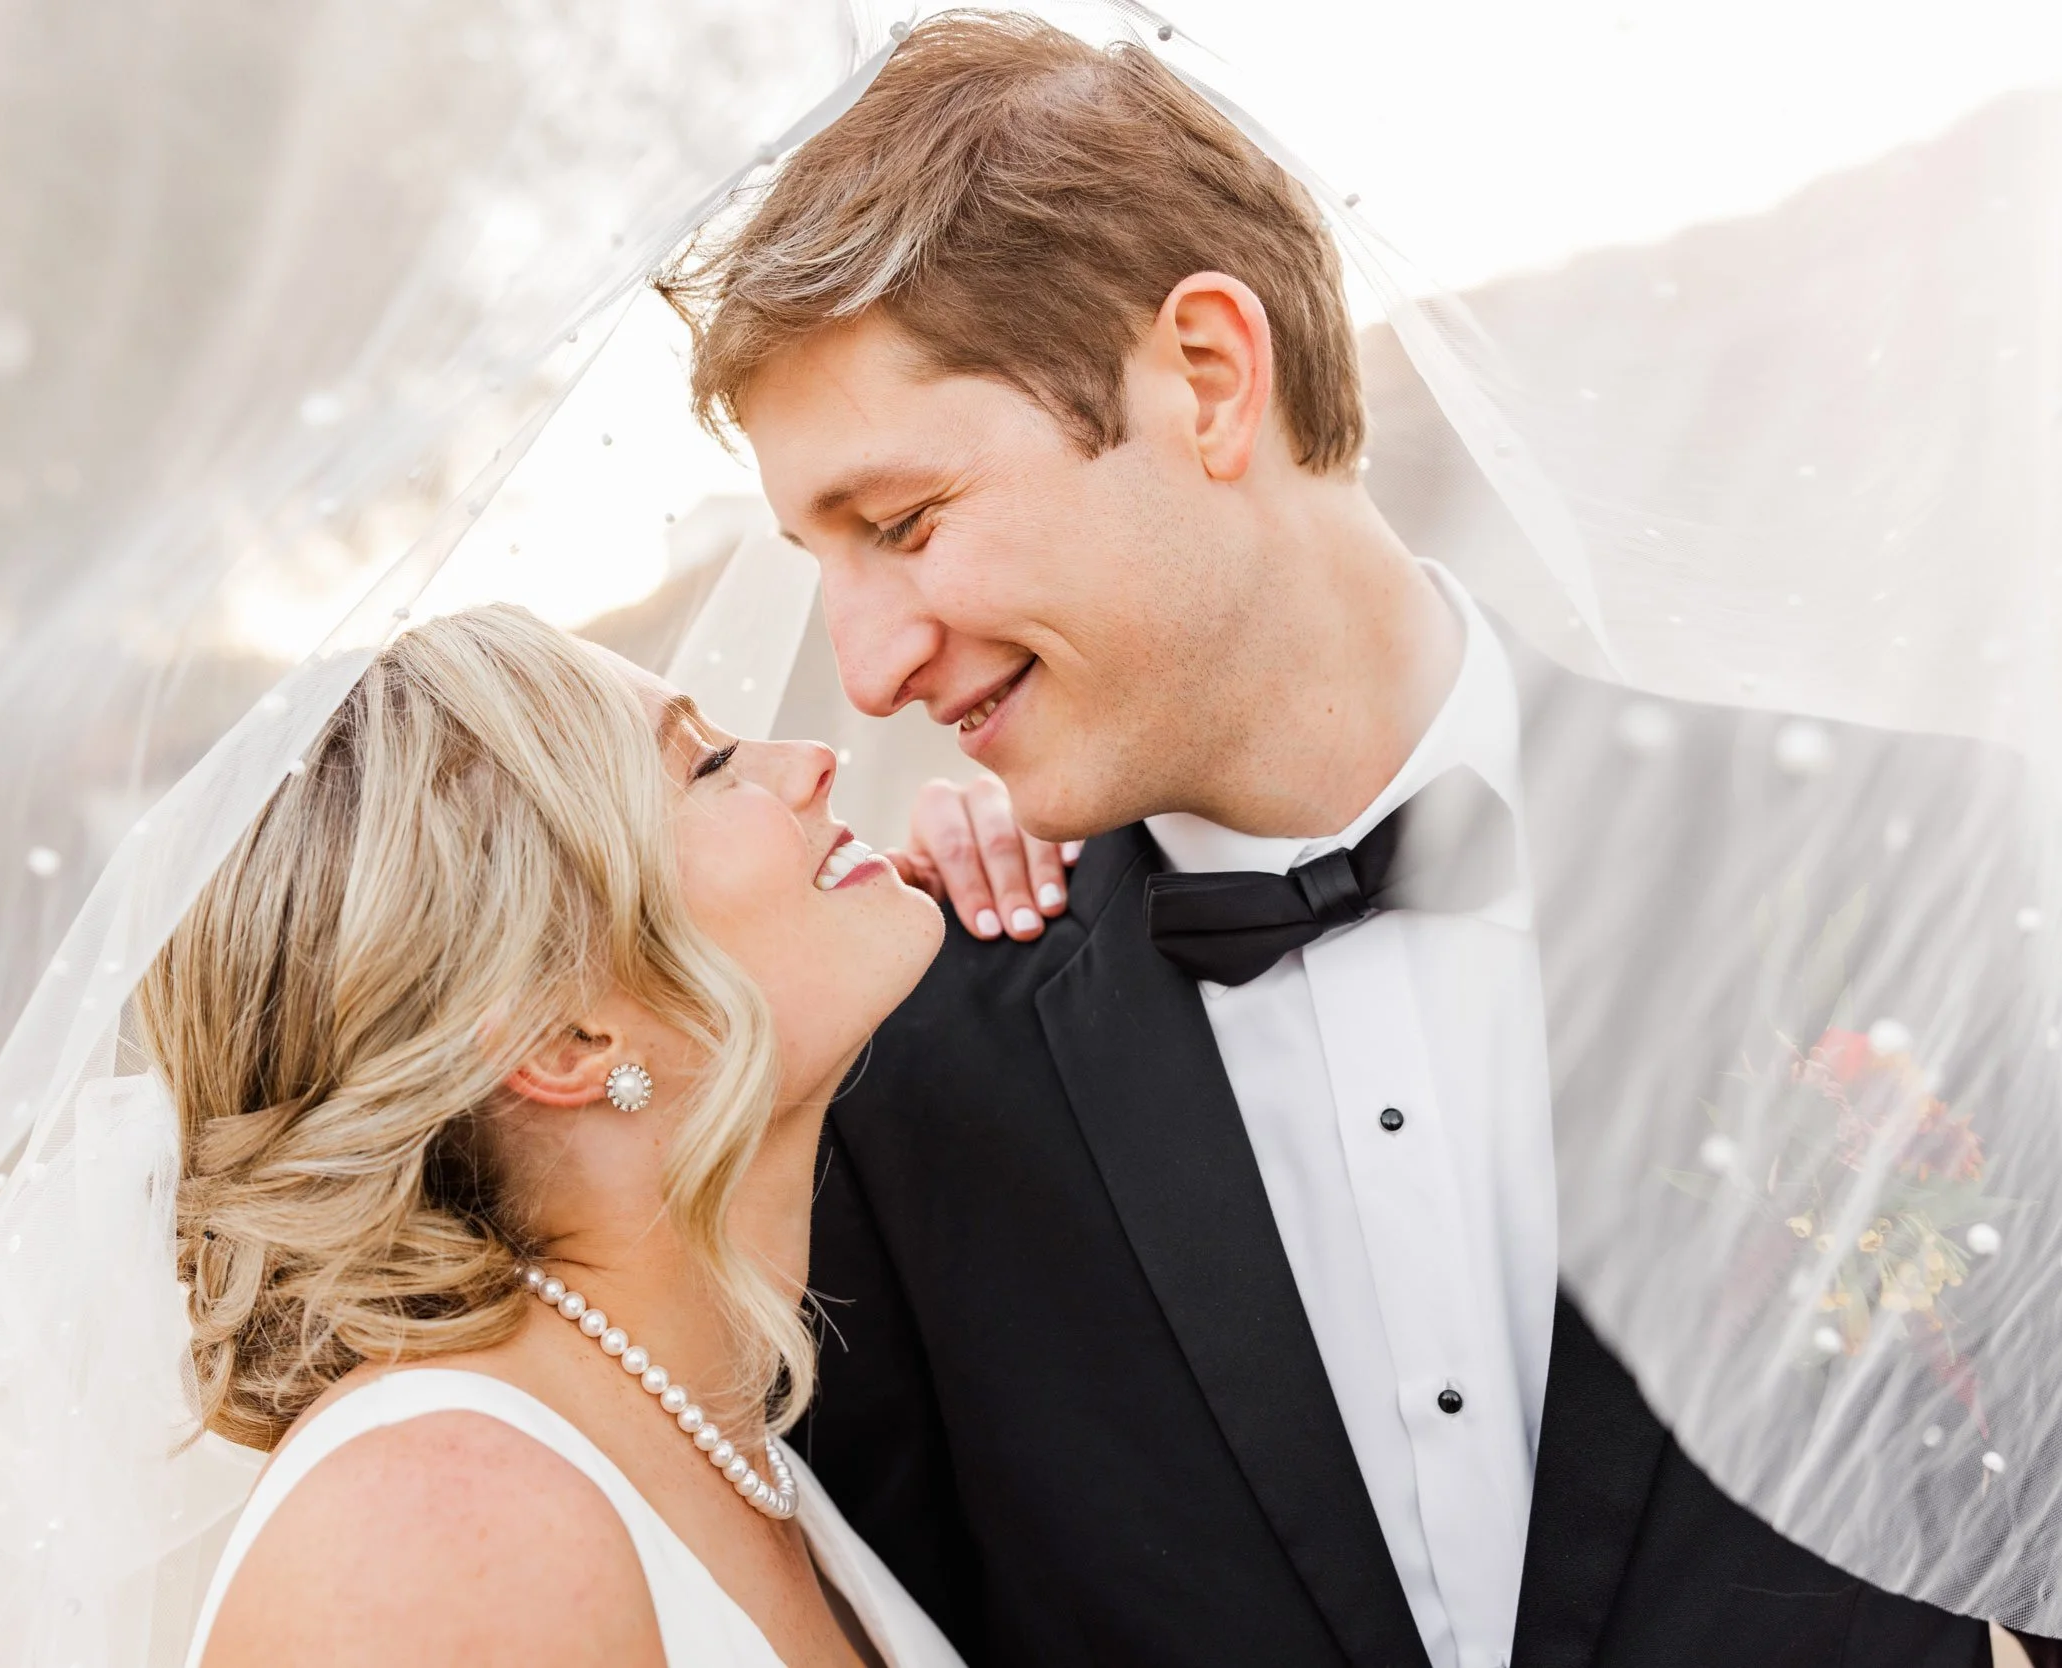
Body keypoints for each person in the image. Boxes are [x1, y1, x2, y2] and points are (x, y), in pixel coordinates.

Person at [664, 13, 2056, 1668]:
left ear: (1207, 376)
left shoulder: (1929, 866)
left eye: (902, 524)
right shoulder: (900, 1098)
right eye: (823, 560)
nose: (870, 664)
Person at [158, 604, 961, 1666]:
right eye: (711, 765)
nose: (813, 760)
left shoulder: (731, 1443)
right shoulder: (435, 1537)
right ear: (564, 1036)